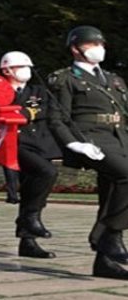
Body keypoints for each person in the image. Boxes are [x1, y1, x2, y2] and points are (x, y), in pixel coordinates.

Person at [47, 26, 128, 279]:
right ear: (75, 48)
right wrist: (73, 144)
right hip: (91, 140)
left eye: (101, 43)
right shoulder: (65, 79)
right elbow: (57, 118)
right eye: (92, 43)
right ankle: (107, 235)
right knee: (126, 177)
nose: (99, 47)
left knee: (112, 192)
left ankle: (104, 262)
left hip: (119, 139)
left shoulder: (114, 79)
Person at [0, 51, 60, 258]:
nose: (26, 71)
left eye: (27, 67)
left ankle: (28, 241)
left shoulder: (38, 90)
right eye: (20, 67)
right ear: (7, 70)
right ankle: (28, 218)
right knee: (47, 172)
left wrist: (26, 113)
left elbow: (49, 109)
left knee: (31, 190)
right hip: (12, 142)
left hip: (39, 143)